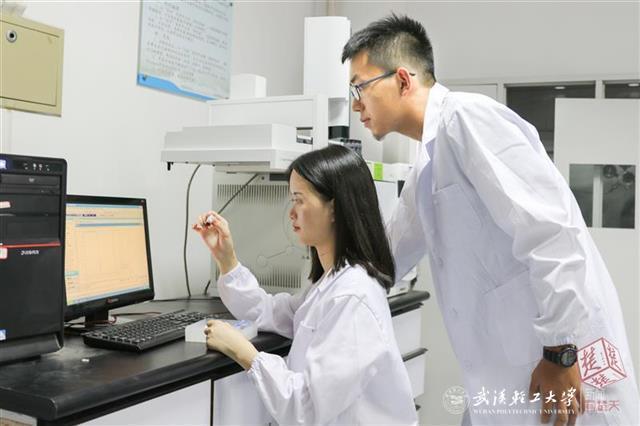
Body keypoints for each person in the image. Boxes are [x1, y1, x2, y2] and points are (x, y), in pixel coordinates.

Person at [342, 13, 639, 426]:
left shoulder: (468, 120)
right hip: (508, 374)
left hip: (557, 366)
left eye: (359, 86)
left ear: (403, 80)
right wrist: (299, 304)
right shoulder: (428, 162)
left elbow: (552, 235)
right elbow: (386, 256)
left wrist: (561, 351)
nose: (355, 103)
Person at [192, 145, 418, 425]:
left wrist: (243, 351)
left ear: (334, 208)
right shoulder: (334, 282)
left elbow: (306, 408)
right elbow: (271, 311)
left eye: (299, 200)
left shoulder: (353, 296)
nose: (291, 212)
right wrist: (226, 260)